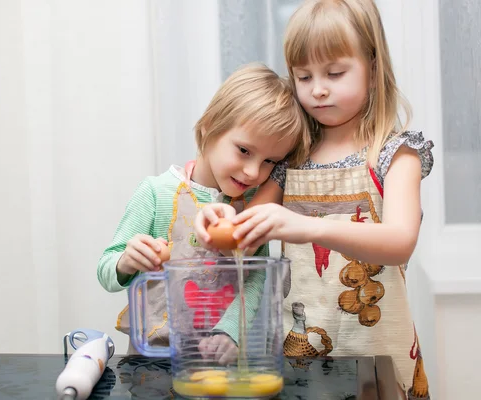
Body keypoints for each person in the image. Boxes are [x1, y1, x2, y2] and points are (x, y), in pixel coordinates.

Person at [195, 0, 434, 397]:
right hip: (301, 360)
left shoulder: (396, 154)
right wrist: (218, 219)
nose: (318, 89)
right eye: (303, 77)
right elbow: (243, 233)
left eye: (335, 73)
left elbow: (399, 242)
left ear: (373, 71)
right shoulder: (292, 160)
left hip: (378, 361)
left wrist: (306, 226)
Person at [97, 63, 309, 358]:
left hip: (221, 359)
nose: (252, 171)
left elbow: (256, 277)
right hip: (150, 362)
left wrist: (230, 331)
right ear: (210, 127)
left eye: (270, 161)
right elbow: (106, 271)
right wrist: (125, 262)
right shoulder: (155, 193)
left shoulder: (253, 207)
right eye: (244, 151)